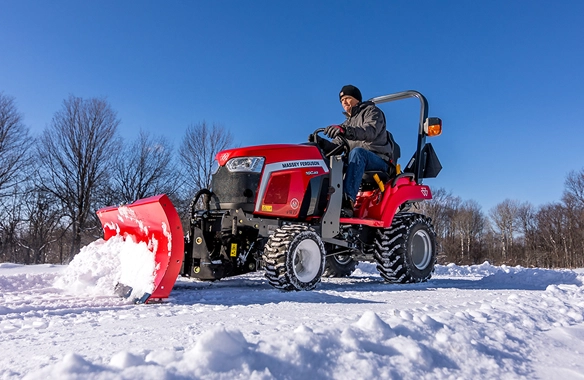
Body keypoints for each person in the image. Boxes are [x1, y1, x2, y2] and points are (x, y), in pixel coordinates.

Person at [323, 85, 394, 215]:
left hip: (378, 159)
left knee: (357, 153)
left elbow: (369, 131)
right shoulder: (347, 123)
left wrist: (347, 131)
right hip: (357, 160)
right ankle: (323, 200)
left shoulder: (373, 112)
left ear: (357, 99)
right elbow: (336, 146)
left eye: (348, 98)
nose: (344, 102)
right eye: (342, 100)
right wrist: (320, 144)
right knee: (332, 159)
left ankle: (347, 201)